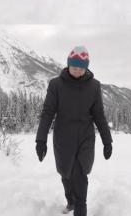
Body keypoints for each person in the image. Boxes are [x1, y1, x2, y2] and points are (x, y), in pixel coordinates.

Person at [35, 46, 113, 216]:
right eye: (74, 68)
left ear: (86, 68)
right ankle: (70, 201)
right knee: (66, 174)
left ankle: (79, 207)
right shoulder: (56, 85)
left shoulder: (94, 86)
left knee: (80, 176)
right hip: (63, 139)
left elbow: (99, 115)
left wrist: (107, 141)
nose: (77, 72)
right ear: (68, 65)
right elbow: (48, 112)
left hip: (85, 138)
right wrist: (41, 140)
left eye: (81, 68)